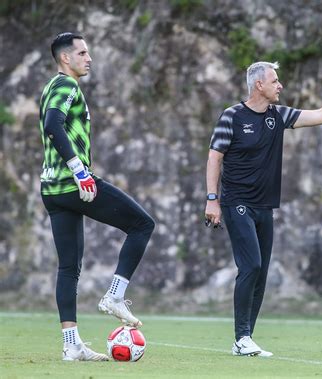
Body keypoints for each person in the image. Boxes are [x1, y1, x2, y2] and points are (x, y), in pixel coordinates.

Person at [205, 61, 322, 357]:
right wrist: (212, 199)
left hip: (265, 205)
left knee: (260, 271)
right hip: (236, 202)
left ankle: (246, 337)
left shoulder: (279, 115)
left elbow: (319, 115)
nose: (280, 86)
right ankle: (241, 338)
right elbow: (215, 158)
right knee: (250, 265)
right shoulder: (232, 116)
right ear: (258, 85)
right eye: (275, 81)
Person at [38, 32, 155, 361]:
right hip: (71, 183)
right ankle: (115, 296)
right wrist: (79, 170)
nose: (89, 58)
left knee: (69, 268)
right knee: (142, 224)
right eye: (82, 53)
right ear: (66, 58)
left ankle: (71, 344)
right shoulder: (67, 85)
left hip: (51, 188)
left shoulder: (50, 87)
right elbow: (52, 123)